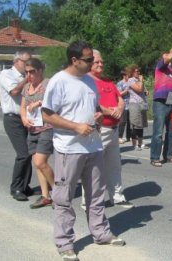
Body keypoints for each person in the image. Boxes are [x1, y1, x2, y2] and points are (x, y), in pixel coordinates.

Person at [41, 40, 125, 261]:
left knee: (96, 194)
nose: (92, 63)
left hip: (93, 145)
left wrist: (97, 115)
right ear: (74, 60)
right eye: (88, 60)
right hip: (69, 148)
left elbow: (94, 107)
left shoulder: (89, 81)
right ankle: (65, 242)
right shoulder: (59, 81)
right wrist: (76, 126)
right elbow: (47, 115)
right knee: (64, 197)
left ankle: (101, 233)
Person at [87, 49, 133, 208]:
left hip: (113, 129)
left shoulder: (108, 81)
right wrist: (110, 111)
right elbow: (92, 104)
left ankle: (117, 196)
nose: (101, 64)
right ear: (88, 63)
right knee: (94, 168)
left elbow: (120, 98)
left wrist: (120, 107)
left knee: (114, 165)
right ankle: (90, 201)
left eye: (101, 62)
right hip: (99, 130)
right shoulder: (86, 81)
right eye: (96, 62)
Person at [0, 50, 34, 201]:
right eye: (26, 62)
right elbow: (14, 91)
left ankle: (25, 185)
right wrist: (26, 80)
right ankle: (16, 188)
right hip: (13, 119)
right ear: (16, 61)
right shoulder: (6, 74)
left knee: (30, 153)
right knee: (23, 154)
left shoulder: (28, 77)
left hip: (27, 118)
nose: (28, 65)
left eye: (30, 62)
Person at [19, 58, 54, 209]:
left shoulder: (48, 84)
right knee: (37, 164)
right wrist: (24, 119)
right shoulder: (26, 87)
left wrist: (39, 103)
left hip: (47, 128)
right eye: (26, 72)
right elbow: (23, 107)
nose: (29, 75)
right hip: (32, 130)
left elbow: (56, 102)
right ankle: (45, 196)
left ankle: (58, 193)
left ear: (40, 70)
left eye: (32, 72)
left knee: (41, 162)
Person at [150, 48, 172, 167]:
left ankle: (168, 155)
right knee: (158, 132)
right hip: (160, 101)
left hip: (170, 101)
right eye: (167, 55)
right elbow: (166, 59)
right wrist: (170, 55)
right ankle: (155, 157)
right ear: (164, 55)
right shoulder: (160, 66)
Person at [126, 64, 149, 150]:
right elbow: (139, 89)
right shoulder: (131, 80)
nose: (138, 73)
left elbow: (143, 90)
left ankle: (140, 143)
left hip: (142, 104)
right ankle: (134, 144)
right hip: (134, 104)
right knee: (135, 124)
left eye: (139, 71)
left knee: (141, 125)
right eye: (136, 71)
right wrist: (141, 81)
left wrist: (146, 92)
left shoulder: (139, 80)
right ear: (132, 72)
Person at [116, 70, 131, 144]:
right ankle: (119, 137)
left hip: (131, 105)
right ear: (124, 75)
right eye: (128, 75)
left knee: (130, 122)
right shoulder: (120, 83)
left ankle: (129, 136)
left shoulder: (130, 82)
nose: (129, 76)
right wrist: (126, 91)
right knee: (123, 122)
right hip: (124, 105)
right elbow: (118, 94)